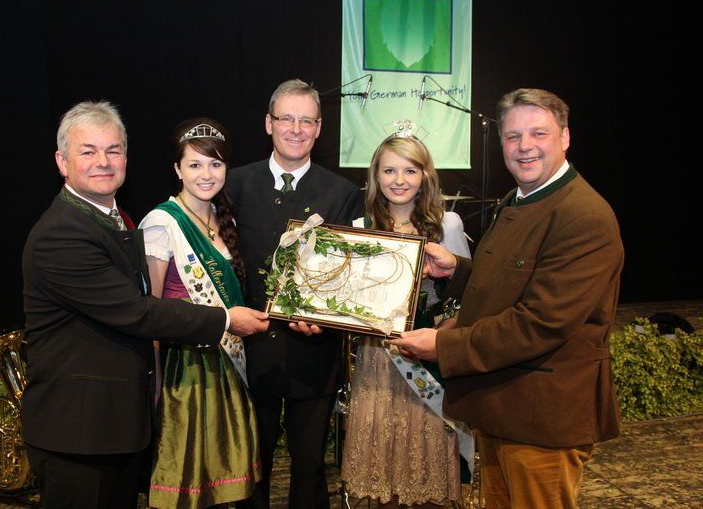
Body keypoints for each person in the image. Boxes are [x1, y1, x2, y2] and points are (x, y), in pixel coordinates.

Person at [21, 101, 269, 509]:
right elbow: (137, 311)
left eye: (113, 150)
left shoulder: (113, 218)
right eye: (88, 151)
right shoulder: (61, 234)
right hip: (80, 432)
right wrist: (226, 319)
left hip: (114, 424)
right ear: (62, 162)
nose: (103, 162)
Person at [389, 88, 625, 509]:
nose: (524, 146)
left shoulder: (583, 215)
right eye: (513, 136)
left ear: (565, 137)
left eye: (538, 133)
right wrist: (457, 271)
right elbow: (511, 283)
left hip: (543, 419)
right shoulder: (518, 199)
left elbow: (540, 323)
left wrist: (444, 345)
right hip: (503, 407)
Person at [226, 79, 364, 508]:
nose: (296, 129)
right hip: (249, 351)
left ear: (319, 128)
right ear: (269, 123)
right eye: (287, 118)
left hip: (314, 353)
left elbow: (349, 275)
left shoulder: (343, 194)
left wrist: (325, 323)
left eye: (307, 120)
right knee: (251, 468)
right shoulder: (232, 185)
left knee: (309, 468)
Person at [341, 132, 470, 508]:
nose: (399, 180)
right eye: (389, 170)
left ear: (425, 175)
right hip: (378, 363)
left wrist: (442, 335)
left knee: (427, 474)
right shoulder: (360, 227)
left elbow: (467, 296)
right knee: (383, 476)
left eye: (410, 170)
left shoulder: (448, 224)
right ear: (375, 176)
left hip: (428, 363)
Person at [139, 118, 260, 508]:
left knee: (224, 482)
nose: (206, 174)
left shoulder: (225, 220)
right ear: (177, 169)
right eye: (194, 164)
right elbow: (149, 311)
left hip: (226, 364)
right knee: (187, 482)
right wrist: (153, 386)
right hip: (184, 370)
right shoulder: (161, 223)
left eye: (215, 164)